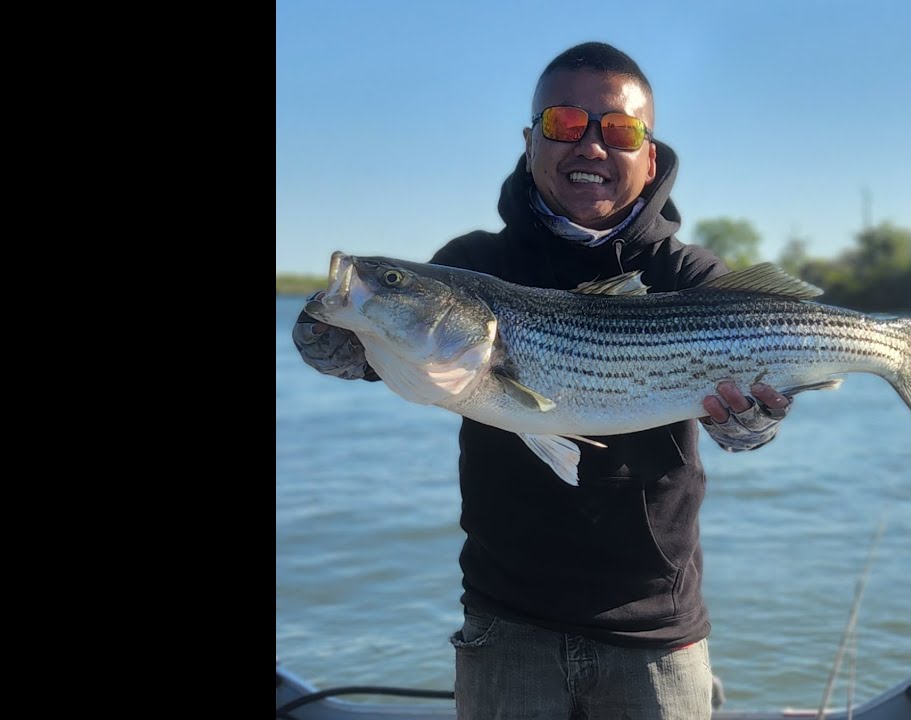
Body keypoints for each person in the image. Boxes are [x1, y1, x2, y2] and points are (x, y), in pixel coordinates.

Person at [293, 41, 796, 720]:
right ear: (531, 142)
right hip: (505, 622)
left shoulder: (689, 276)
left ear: (649, 157)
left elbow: (747, 431)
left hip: (656, 629)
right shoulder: (473, 263)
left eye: (619, 131)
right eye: (564, 123)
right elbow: (371, 355)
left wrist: (752, 422)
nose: (591, 145)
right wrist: (330, 330)